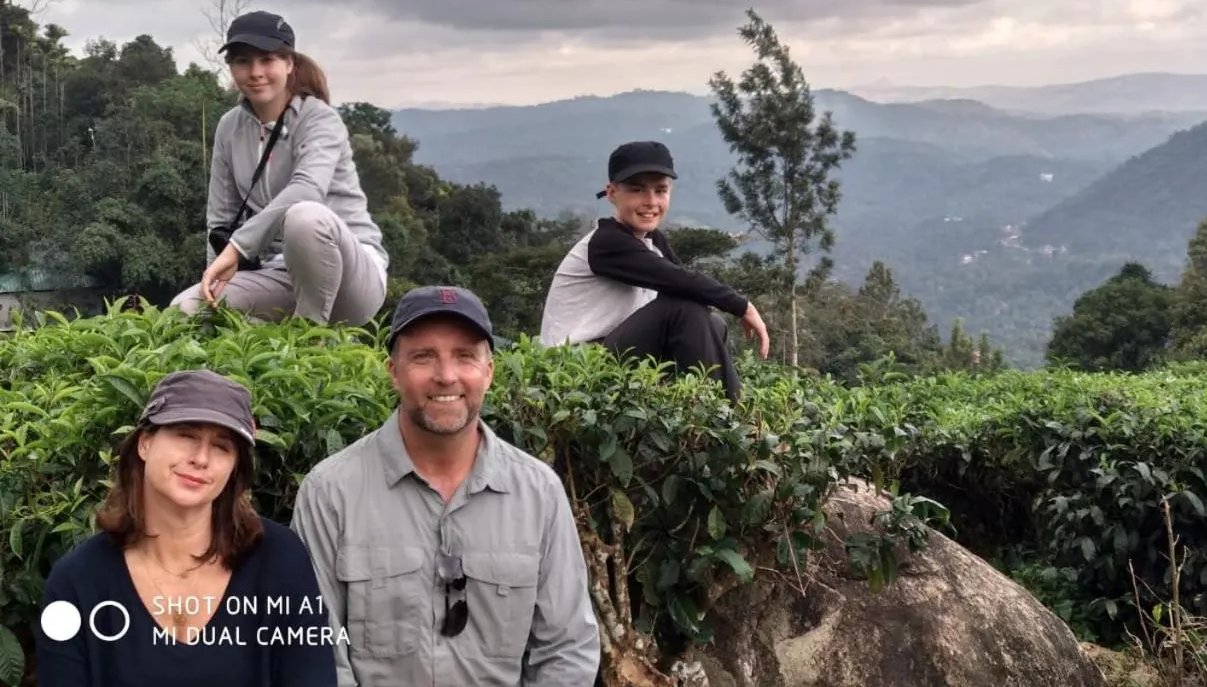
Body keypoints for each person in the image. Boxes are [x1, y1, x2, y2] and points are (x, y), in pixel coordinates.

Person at [290, 285, 600, 687]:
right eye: (423, 356)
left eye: (465, 356)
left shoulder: (538, 493)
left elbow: (567, 648)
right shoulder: (330, 493)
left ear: (488, 372)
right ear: (393, 372)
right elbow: (318, 652)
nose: (446, 375)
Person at [35, 369, 339, 687]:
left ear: (235, 467)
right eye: (186, 435)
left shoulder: (280, 560)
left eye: (222, 446)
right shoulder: (77, 581)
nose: (201, 458)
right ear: (145, 443)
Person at [170, 10, 388, 325]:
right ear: (231, 68)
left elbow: (307, 189)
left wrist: (238, 249)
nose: (255, 72)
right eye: (243, 61)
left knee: (304, 217)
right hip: (279, 272)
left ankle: (309, 343)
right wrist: (214, 277)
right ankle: (271, 352)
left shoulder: (319, 119)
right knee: (188, 312)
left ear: (289, 64)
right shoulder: (229, 128)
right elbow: (220, 219)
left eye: (267, 59)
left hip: (351, 276)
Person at [538, 140, 769, 403]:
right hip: (573, 371)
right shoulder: (606, 243)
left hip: (611, 355)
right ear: (612, 193)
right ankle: (734, 419)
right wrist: (743, 306)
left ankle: (708, 410)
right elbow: (680, 282)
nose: (651, 202)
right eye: (637, 190)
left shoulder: (652, 240)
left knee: (712, 322)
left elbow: (687, 290)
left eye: (661, 191)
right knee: (682, 309)